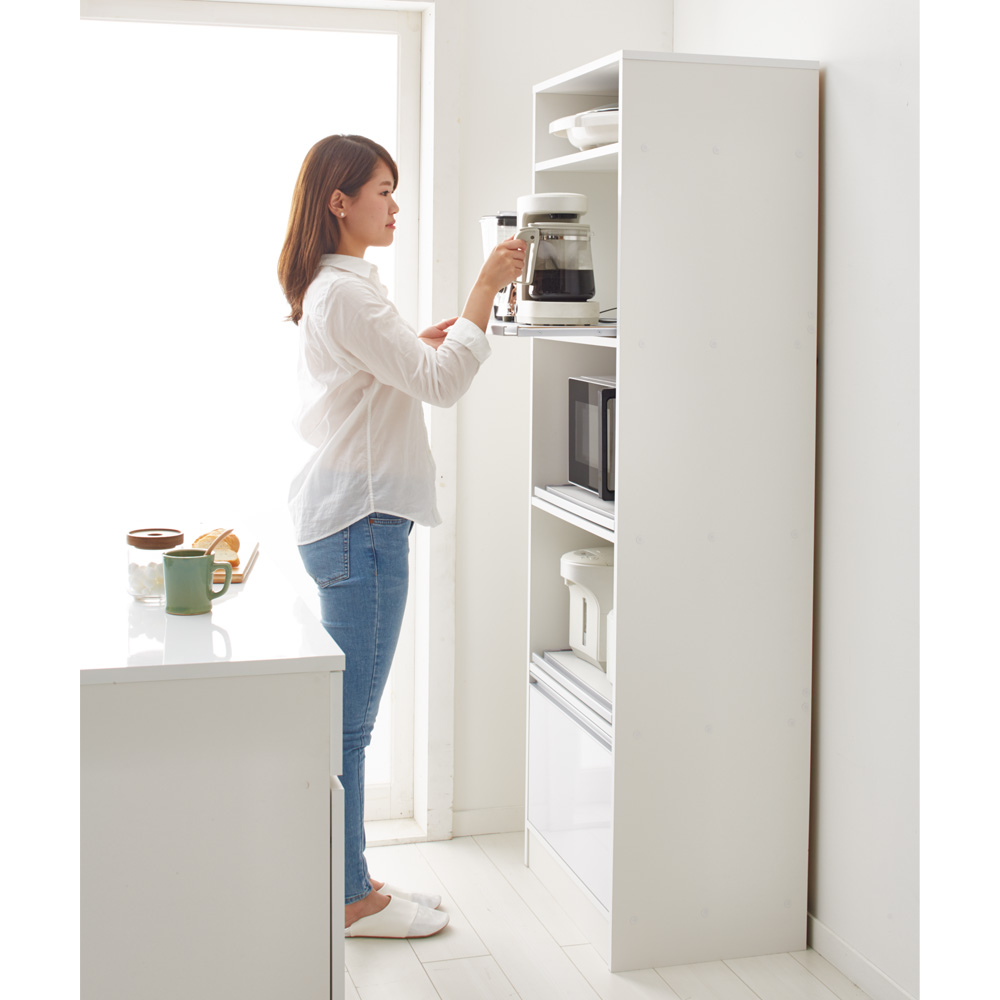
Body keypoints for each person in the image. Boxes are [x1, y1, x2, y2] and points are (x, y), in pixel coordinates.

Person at [277, 135, 525, 939]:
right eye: (382, 191)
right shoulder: (348, 294)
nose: (394, 205)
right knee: (349, 727)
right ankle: (352, 900)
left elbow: (381, 383)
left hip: (349, 517)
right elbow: (441, 387)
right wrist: (486, 287)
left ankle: (349, 878)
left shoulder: (339, 289)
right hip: (365, 521)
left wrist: (418, 345)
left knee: (346, 722)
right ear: (339, 202)